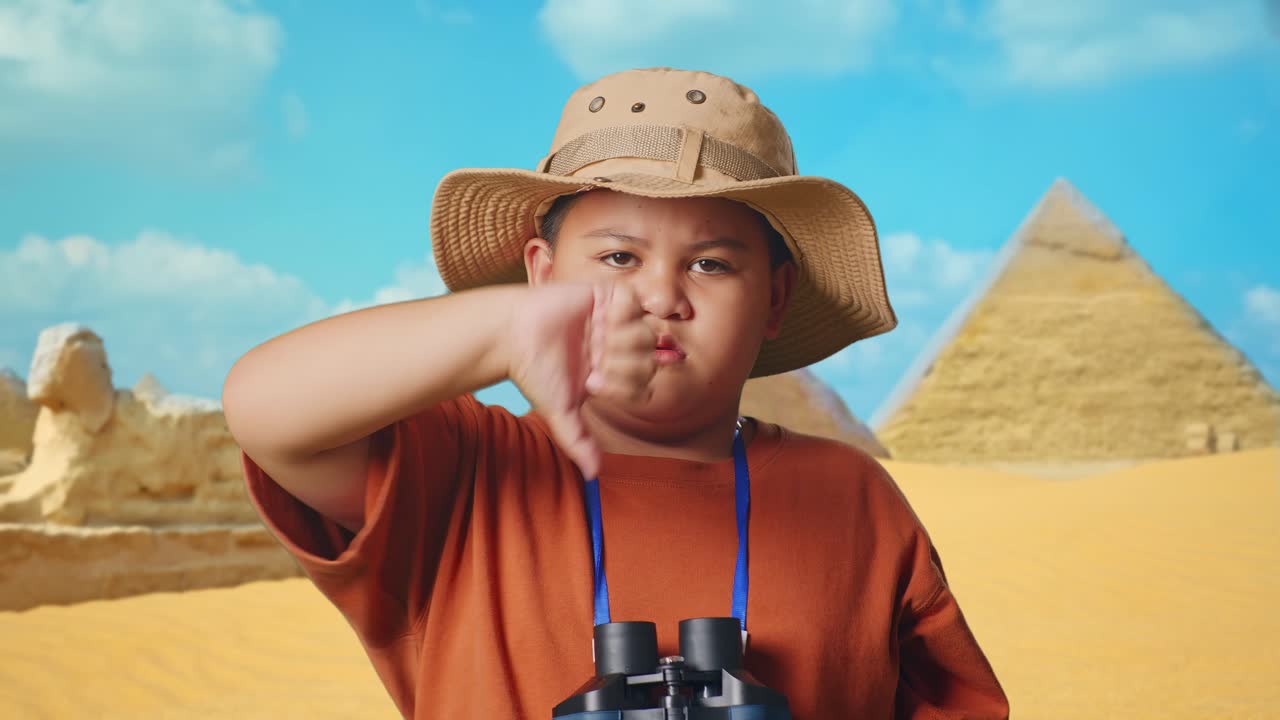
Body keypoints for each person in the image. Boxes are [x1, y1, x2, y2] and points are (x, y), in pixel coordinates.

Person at [222, 67, 1010, 719]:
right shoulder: (462, 471)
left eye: (711, 264)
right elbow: (264, 410)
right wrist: (505, 333)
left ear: (774, 299)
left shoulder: (854, 501)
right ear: (541, 274)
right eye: (619, 258)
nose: (660, 296)